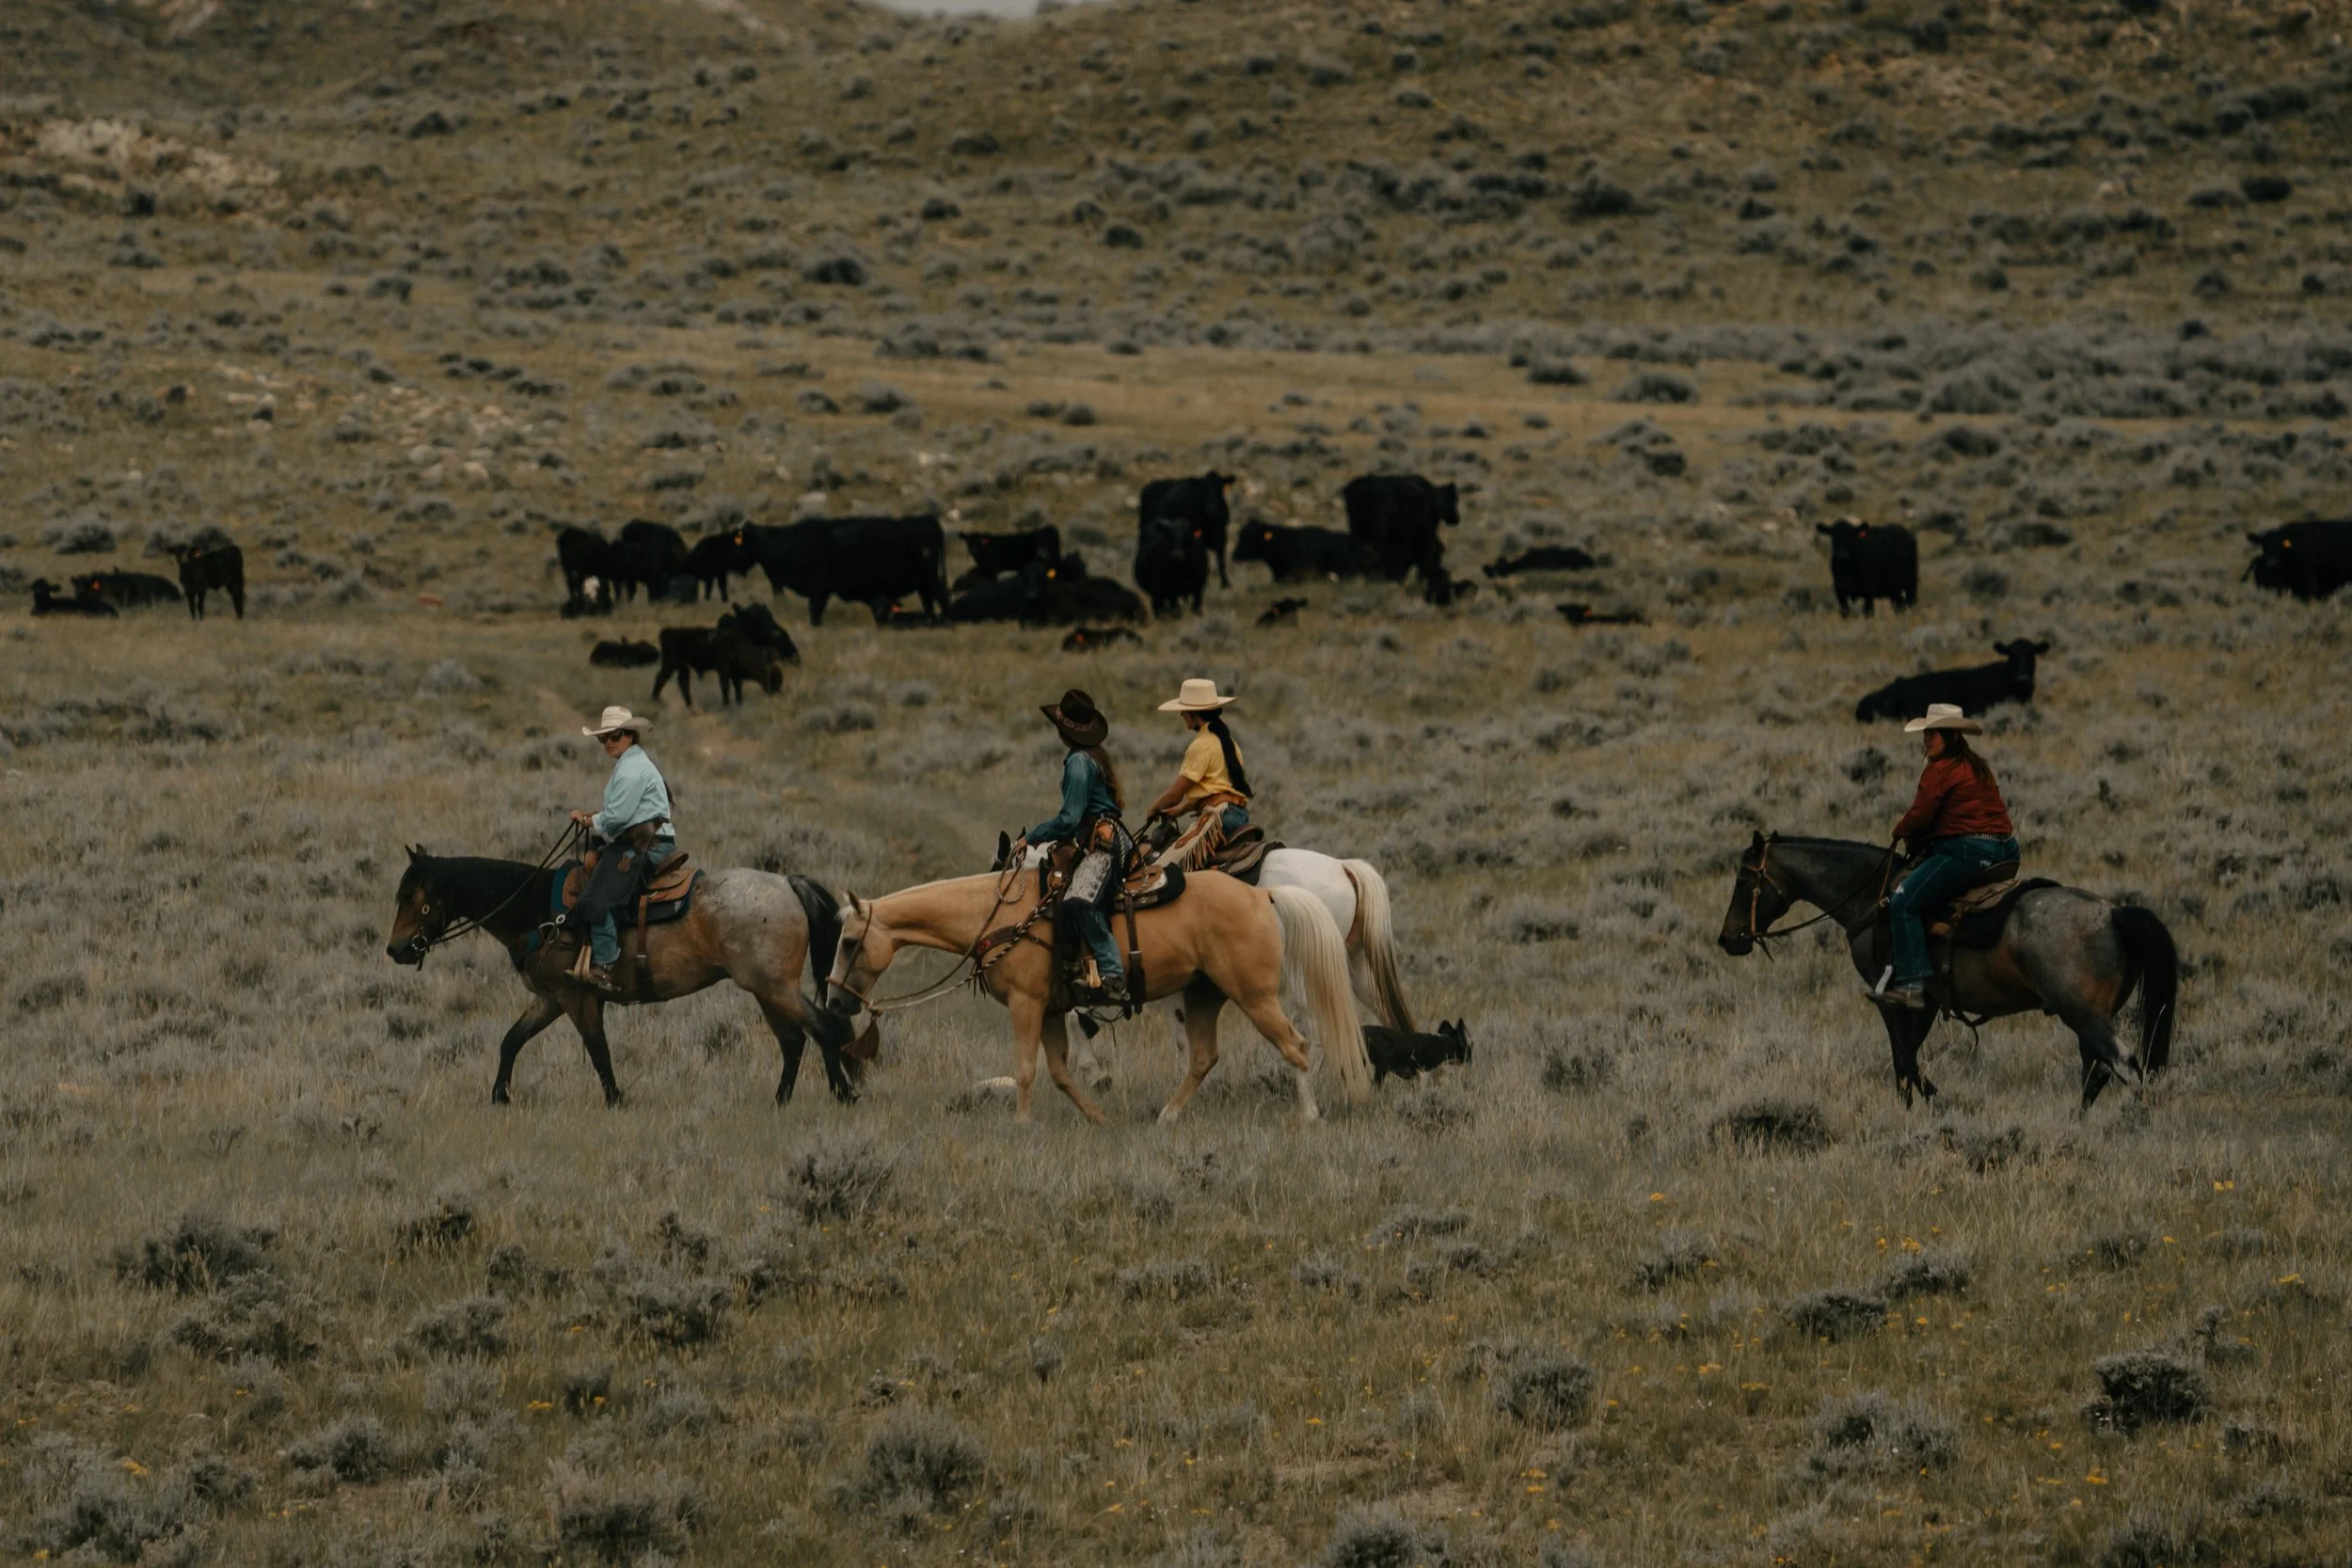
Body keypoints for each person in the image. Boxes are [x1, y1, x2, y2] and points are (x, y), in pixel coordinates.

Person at [1872, 703, 2020, 1009]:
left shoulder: (1940, 769)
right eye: (1926, 733)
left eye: (1934, 732)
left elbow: (1921, 816)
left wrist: (1900, 831)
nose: (1927, 738)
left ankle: (1912, 985)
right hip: (2006, 853)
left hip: (1968, 853)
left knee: (1902, 902)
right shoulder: (1976, 765)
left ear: (1952, 735)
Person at [1012, 689, 1129, 1003]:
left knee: (1079, 901)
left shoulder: (1079, 762)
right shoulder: (1089, 757)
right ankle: (1074, 969)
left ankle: (1113, 975)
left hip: (1105, 842)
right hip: (1097, 838)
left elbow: (1068, 818)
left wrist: (1032, 837)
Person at [560, 705, 676, 991]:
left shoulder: (632, 769)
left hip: (648, 844)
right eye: (603, 738)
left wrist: (589, 820)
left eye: (614, 736)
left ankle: (605, 966)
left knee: (597, 899)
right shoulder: (630, 762)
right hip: (639, 840)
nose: (608, 743)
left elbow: (618, 817)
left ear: (629, 736)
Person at [1141, 677, 1252, 845]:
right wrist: (1184, 809)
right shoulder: (1230, 743)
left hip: (1220, 818)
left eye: (1184, 711)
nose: (1181, 714)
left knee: (1173, 862)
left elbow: (1174, 795)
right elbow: (1218, 787)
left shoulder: (1200, 745)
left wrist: (1154, 808)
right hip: (1238, 814)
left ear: (1194, 714)